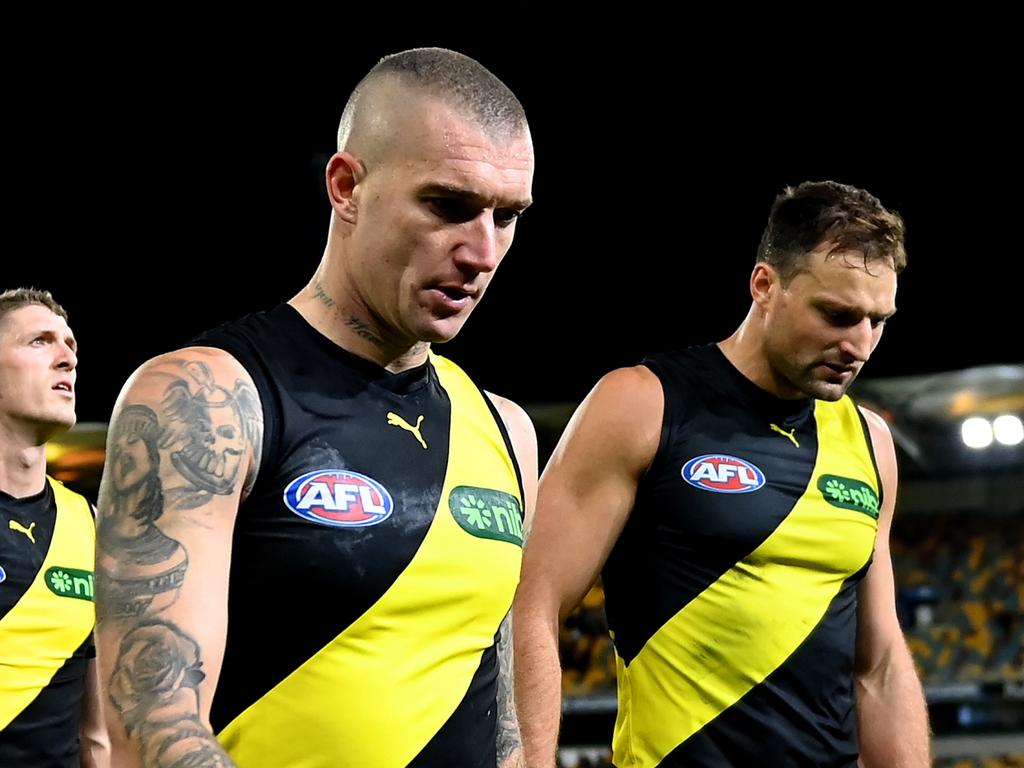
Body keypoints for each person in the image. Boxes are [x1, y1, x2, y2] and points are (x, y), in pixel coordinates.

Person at [95, 47, 537, 768]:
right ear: (346, 186)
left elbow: (501, 718)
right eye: (448, 206)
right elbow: (154, 733)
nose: (481, 252)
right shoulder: (209, 400)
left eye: (507, 217)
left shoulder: (504, 429)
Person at [514, 181, 931, 767]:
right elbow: (532, 602)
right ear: (765, 285)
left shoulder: (871, 442)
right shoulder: (642, 404)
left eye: (876, 321)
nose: (859, 344)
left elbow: (880, 661)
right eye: (837, 314)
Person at [0, 287, 109, 767]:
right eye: (40, 342)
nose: (67, 359)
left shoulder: (88, 524)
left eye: (71, 346)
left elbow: (98, 734)